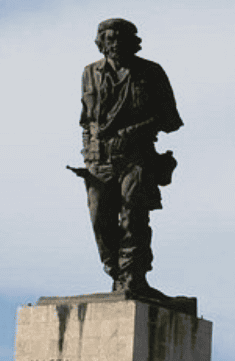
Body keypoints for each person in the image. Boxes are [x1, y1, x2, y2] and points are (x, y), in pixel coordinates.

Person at [75, 17, 183, 298]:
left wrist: (135, 131)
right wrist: (88, 151)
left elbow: (170, 119)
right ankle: (115, 271)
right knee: (101, 219)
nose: (114, 46)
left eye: (120, 40)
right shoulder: (90, 73)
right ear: (101, 44)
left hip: (137, 157)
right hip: (99, 160)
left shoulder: (151, 72)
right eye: (108, 41)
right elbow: (86, 121)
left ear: (133, 44)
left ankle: (133, 276)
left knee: (133, 214)